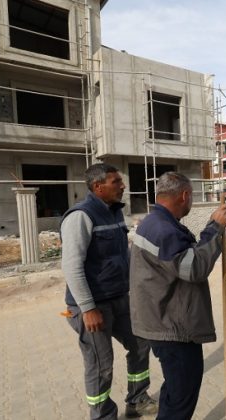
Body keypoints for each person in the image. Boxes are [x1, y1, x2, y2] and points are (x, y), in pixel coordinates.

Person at [129, 172, 226, 419]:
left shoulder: (154, 222)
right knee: (182, 394)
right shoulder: (163, 230)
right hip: (172, 327)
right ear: (184, 195)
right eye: (192, 196)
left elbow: (181, 258)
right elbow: (193, 268)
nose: (191, 201)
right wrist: (215, 228)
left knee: (174, 389)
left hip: (161, 319)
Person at [60, 163, 157, 419]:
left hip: (119, 298)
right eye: (116, 182)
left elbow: (121, 255)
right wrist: (88, 308)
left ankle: (136, 399)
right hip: (93, 306)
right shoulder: (80, 216)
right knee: (101, 365)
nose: (123, 186)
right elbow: (71, 266)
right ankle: (103, 415)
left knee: (140, 343)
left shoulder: (114, 213)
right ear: (98, 186)